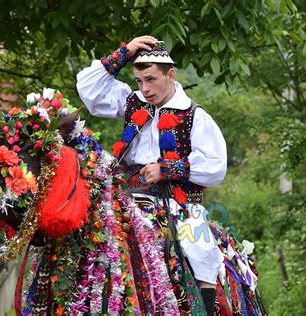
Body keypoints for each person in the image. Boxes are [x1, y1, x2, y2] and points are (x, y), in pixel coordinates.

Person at [77, 35, 227, 315]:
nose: (145, 88)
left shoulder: (195, 116)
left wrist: (168, 169)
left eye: (151, 79)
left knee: (201, 248)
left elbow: (216, 166)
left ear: (170, 75)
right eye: (139, 81)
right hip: (128, 196)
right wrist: (124, 53)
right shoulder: (133, 102)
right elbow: (90, 91)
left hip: (178, 202)